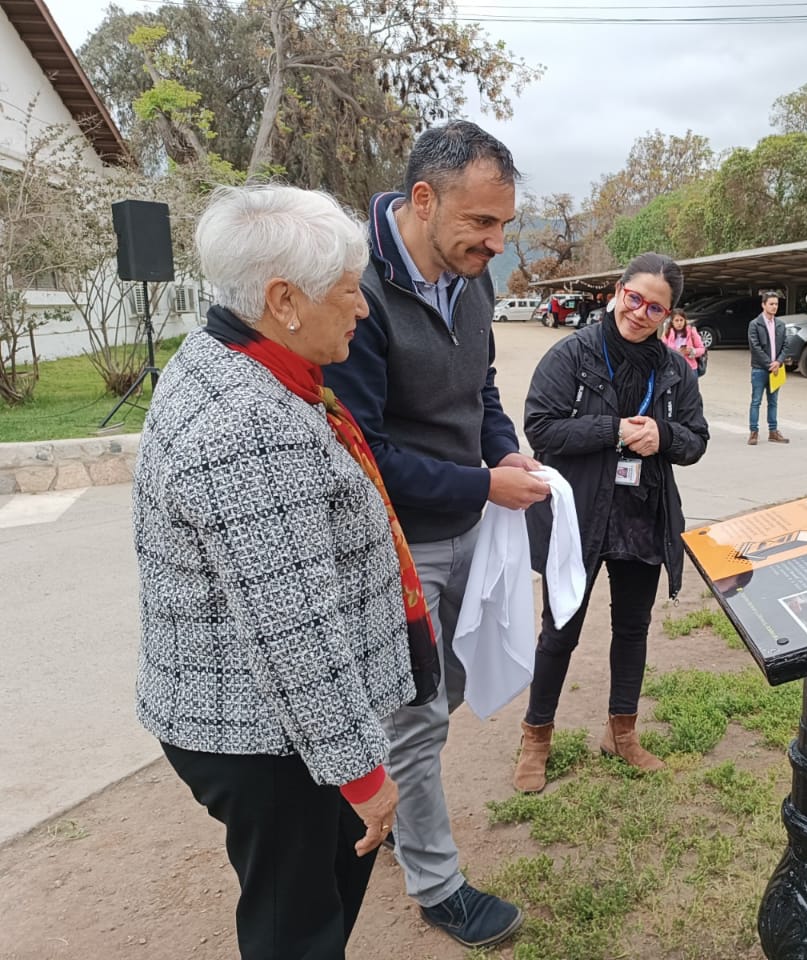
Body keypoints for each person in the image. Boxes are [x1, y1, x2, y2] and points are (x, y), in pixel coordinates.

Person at [133, 184, 430, 959]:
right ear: (283, 301)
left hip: (253, 715)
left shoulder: (224, 358)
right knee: (296, 927)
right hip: (267, 735)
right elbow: (295, 633)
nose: (362, 311)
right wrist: (364, 776)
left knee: (302, 906)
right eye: (347, 294)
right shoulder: (252, 425)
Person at [325, 120, 549, 950]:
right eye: (482, 224)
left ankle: (379, 788)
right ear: (423, 200)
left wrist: (503, 450)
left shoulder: (473, 278)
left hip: (470, 522)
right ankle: (437, 883)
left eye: (504, 224)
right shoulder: (357, 291)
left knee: (438, 695)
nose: (497, 243)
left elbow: (481, 388)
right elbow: (366, 453)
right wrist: (483, 483)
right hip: (398, 542)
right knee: (420, 715)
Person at [513, 253, 709, 793]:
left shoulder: (675, 371)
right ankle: (536, 738)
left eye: (657, 307)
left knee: (632, 628)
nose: (641, 313)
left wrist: (664, 437)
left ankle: (621, 733)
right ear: (617, 292)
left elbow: (696, 440)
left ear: (670, 316)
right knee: (561, 629)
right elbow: (542, 430)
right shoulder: (572, 355)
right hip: (579, 516)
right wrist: (616, 431)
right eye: (635, 298)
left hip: (642, 515)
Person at [747, 290, 788, 444]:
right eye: (771, 304)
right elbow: (755, 346)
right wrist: (769, 364)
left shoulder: (780, 324)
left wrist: (778, 361)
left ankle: (773, 431)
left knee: (773, 402)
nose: (774, 307)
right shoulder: (754, 324)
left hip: (776, 369)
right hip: (760, 369)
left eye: (776, 304)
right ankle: (753, 432)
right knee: (756, 401)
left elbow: (786, 345)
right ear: (763, 305)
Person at [663, 307, 706, 376]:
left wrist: (692, 351)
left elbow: (702, 349)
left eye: (681, 320)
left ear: (684, 320)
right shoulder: (667, 334)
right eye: (676, 320)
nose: (679, 323)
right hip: (674, 369)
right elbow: (663, 351)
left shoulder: (692, 332)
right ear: (672, 322)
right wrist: (676, 352)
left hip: (690, 368)